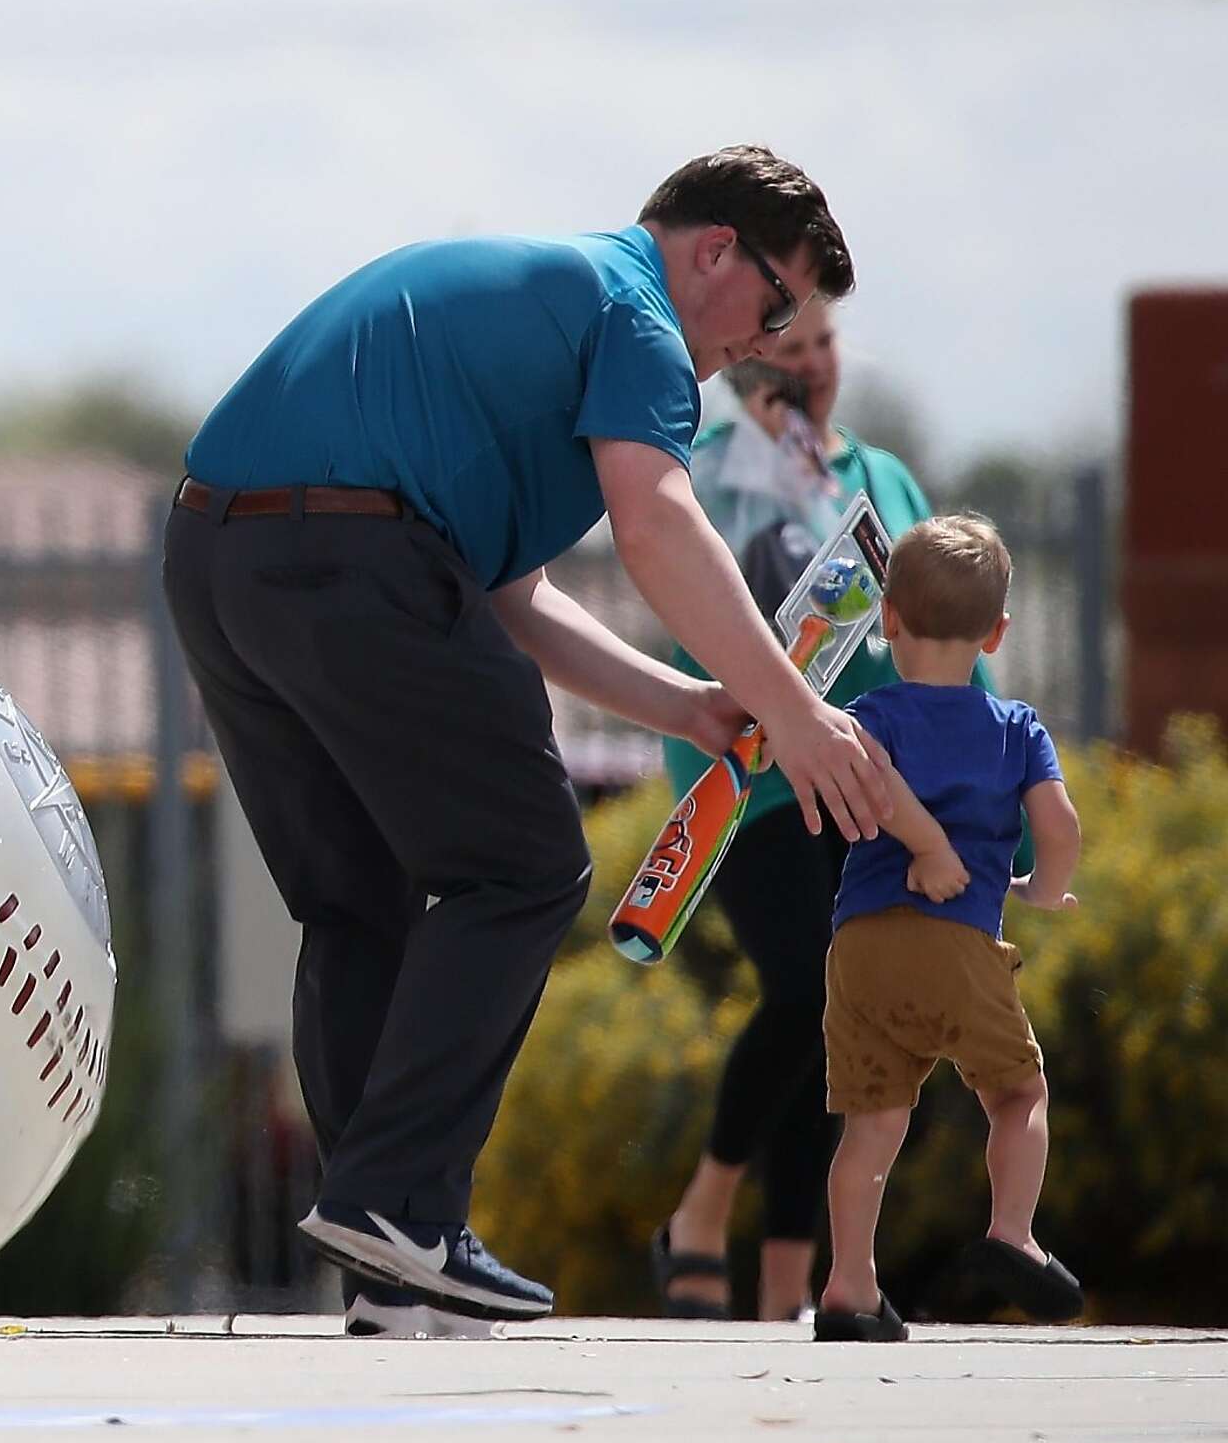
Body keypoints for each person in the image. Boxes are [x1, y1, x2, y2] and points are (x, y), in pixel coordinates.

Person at [162, 145, 892, 1337]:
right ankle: (402, 1206)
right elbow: (658, 525)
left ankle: (389, 1264)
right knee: (527, 859)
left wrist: (695, 707)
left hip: (217, 558)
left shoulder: (547, 318)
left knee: (359, 902)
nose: (765, 343)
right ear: (715, 250)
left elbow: (514, 603)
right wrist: (800, 715)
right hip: (353, 561)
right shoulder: (637, 320)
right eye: (772, 305)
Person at [650, 299, 1012, 1323]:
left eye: (822, 348)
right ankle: (704, 1208)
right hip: (756, 775)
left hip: (869, 785)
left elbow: (943, 636)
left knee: (842, 1014)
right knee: (807, 977)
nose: (807, 371)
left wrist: (989, 787)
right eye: (784, 354)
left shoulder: (881, 478)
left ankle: (787, 1283)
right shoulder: (706, 468)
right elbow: (688, 594)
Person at [810, 513, 1083, 1342]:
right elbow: (1061, 825)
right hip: (958, 943)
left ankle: (850, 1287)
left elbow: (871, 782)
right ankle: (1013, 1233)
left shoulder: (868, 716)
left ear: (886, 620)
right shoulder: (1016, 729)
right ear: (997, 634)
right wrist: (1041, 888)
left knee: (874, 1122)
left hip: (859, 947)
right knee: (1017, 1091)